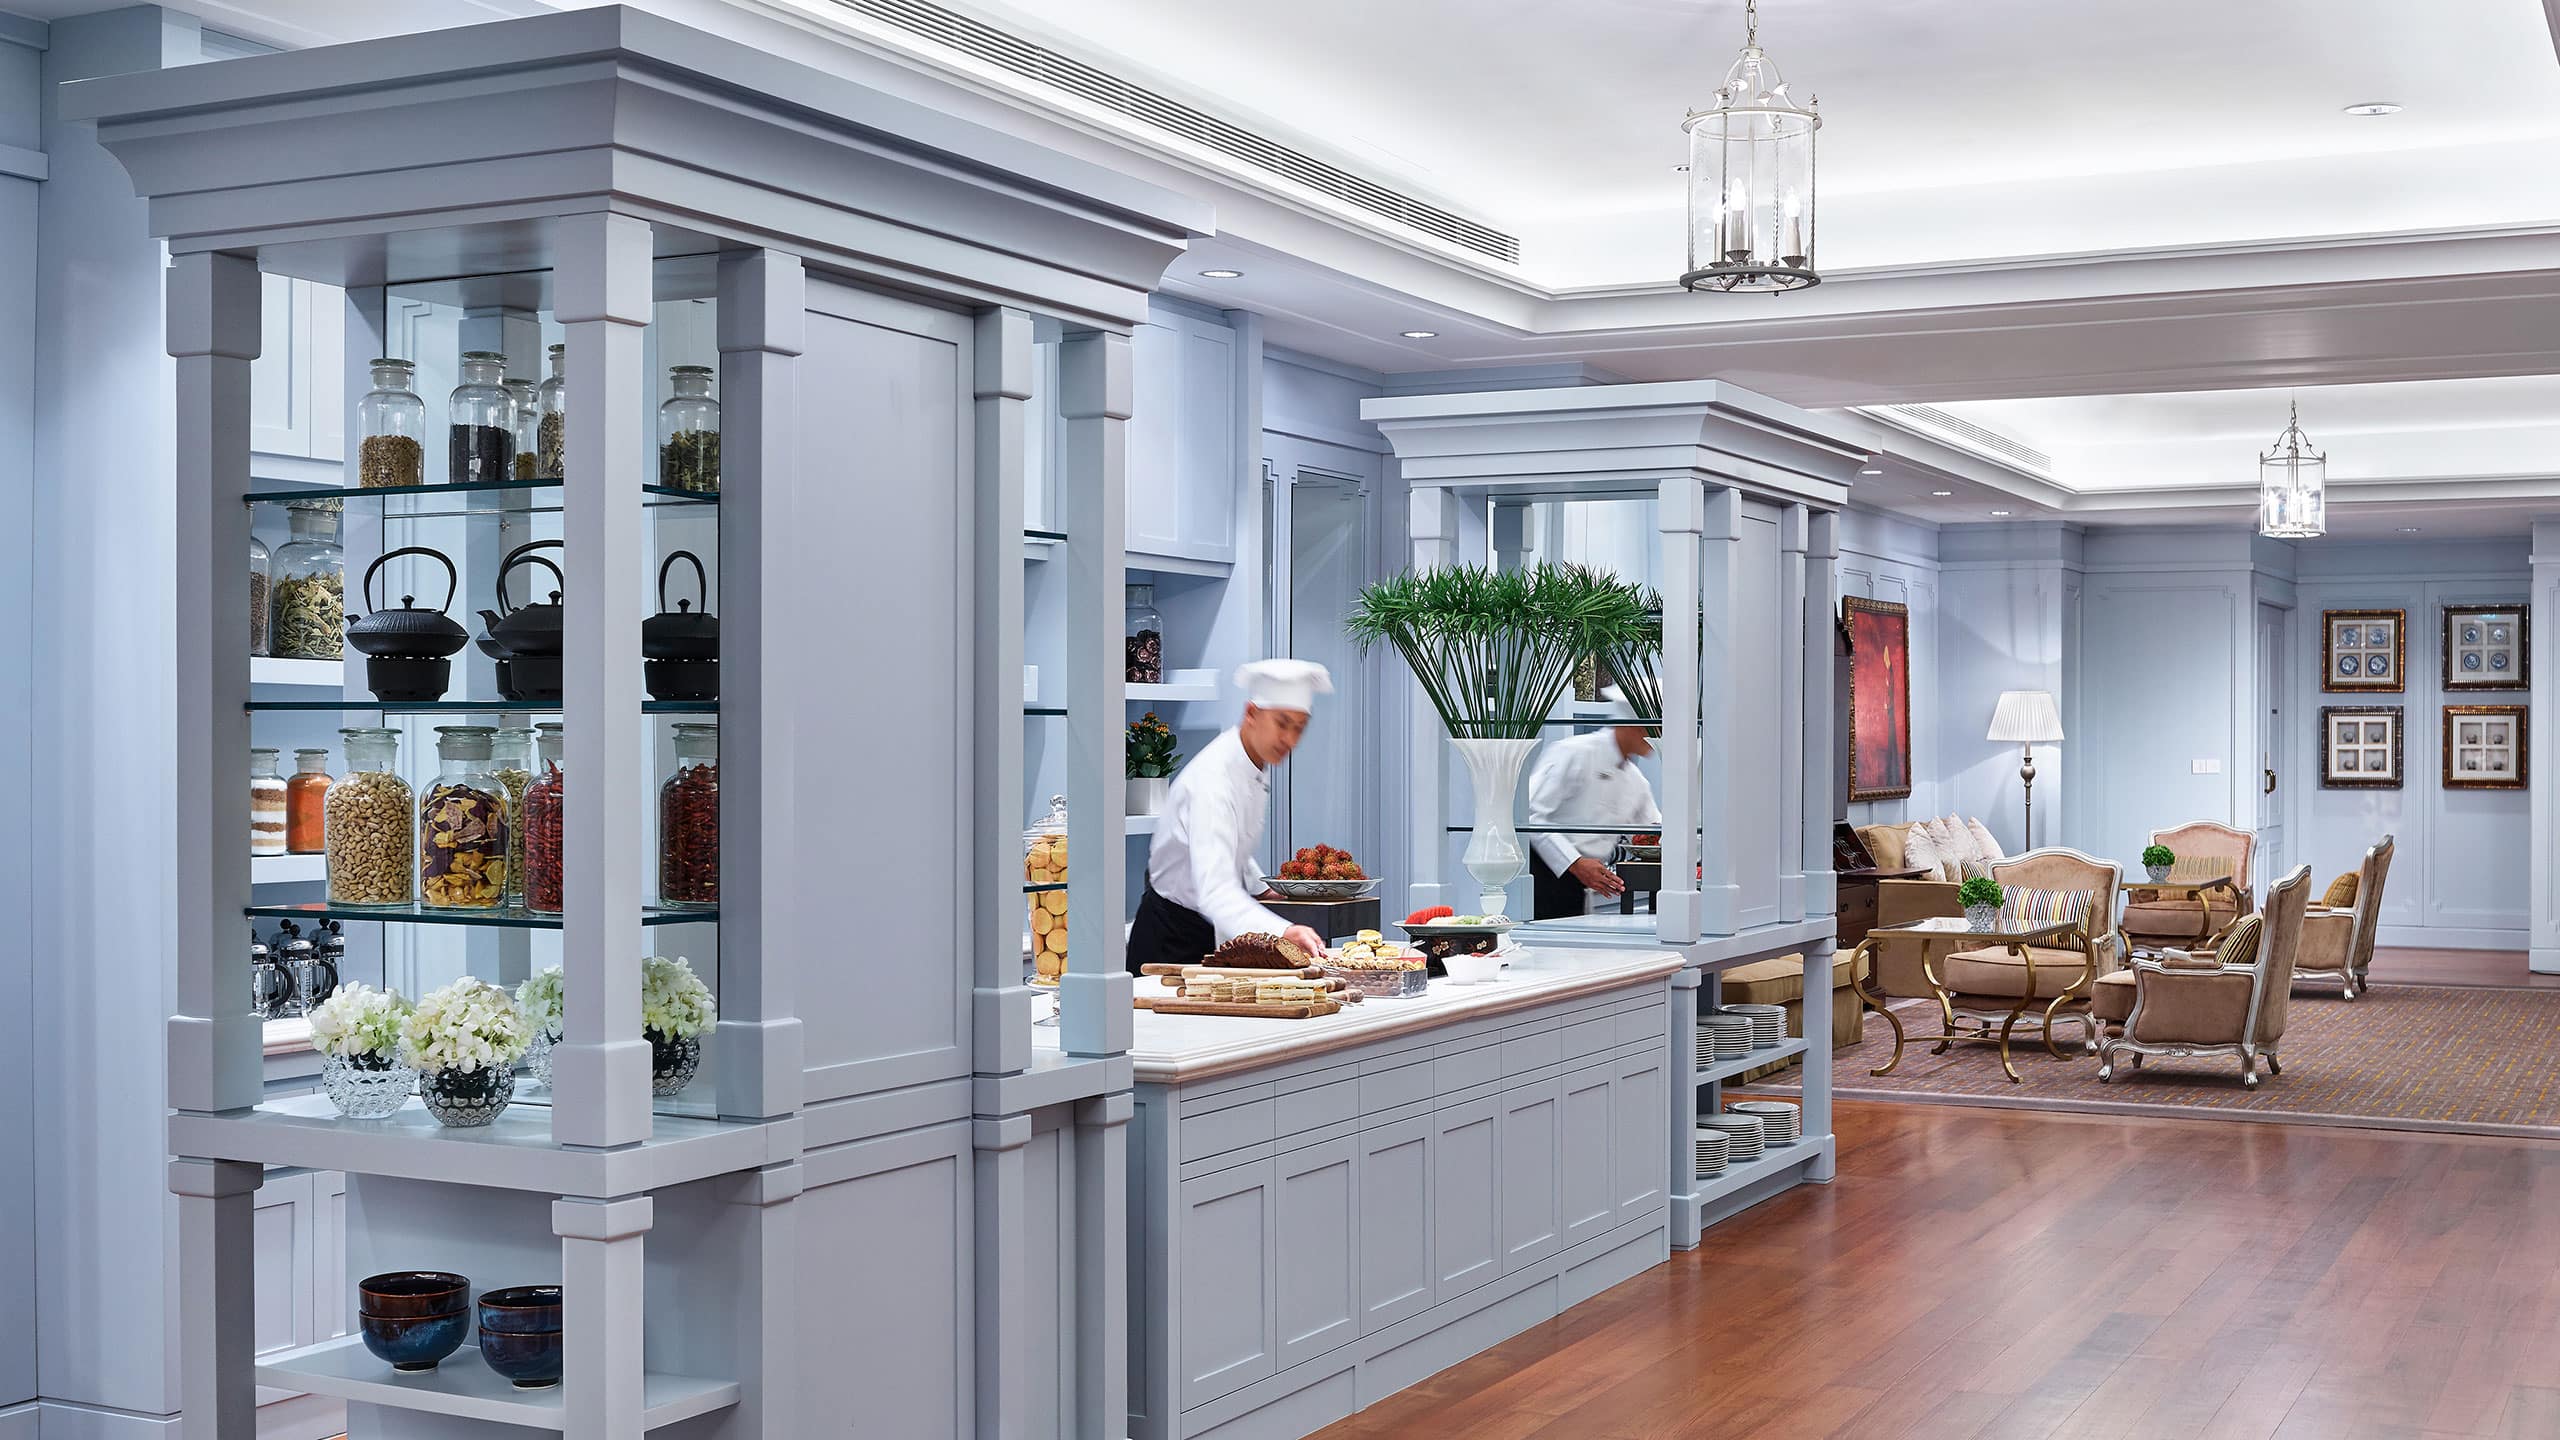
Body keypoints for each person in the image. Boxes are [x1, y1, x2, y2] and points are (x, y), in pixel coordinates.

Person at [1127, 659, 1335, 973]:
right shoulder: (1213, 780)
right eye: (1282, 723)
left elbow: (1226, 838)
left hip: (1206, 933)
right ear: (1251, 714)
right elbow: (1215, 890)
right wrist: (1282, 932)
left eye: (1299, 728)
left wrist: (1259, 886)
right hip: (1170, 941)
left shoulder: (1252, 762)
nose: (1290, 740)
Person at [1523, 688, 1661, 920]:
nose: (1659, 738)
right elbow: (1530, 815)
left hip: (1587, 884)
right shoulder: (1573, 753)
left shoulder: (1636, 780)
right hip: (1544, 878)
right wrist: (1575, 863)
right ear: (1633, 726)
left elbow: (1655, 829)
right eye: (1656, 729)